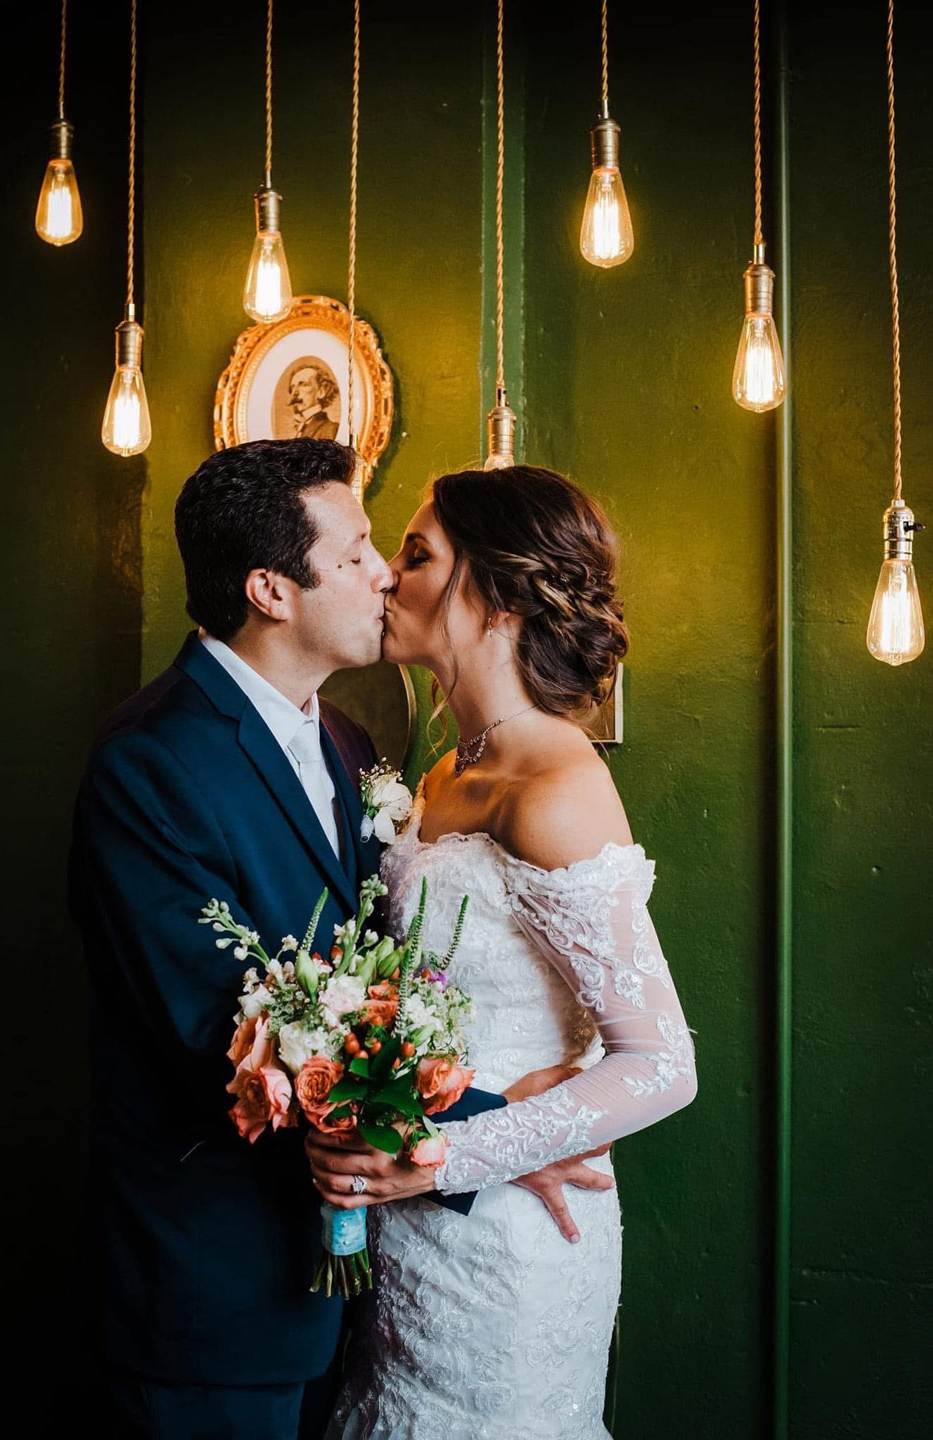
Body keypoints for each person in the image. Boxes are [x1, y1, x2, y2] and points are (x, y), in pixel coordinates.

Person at [69, 439, 609, 1440]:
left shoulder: (348, 744)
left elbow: (383, 973)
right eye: (357, 553)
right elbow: (224, 1035)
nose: (383, 575)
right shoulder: (150, 763)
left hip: (371, 1283)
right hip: (217, 1299)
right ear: (271, 591)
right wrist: (491, 1134)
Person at [309, 465, 698, 1440]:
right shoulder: (446, 770)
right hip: (408, 1231)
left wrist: (449, 1155)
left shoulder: (556, 785)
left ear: (497, 594)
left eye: (416, 555)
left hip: (511, 1245)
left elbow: (661, 1064)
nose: (385, 576)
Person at [286, 364, 339, 440]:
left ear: (321, 392)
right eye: (293, 387)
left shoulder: (332, 429)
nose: (294, 392)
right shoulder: (298, 428)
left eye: (304, 385)